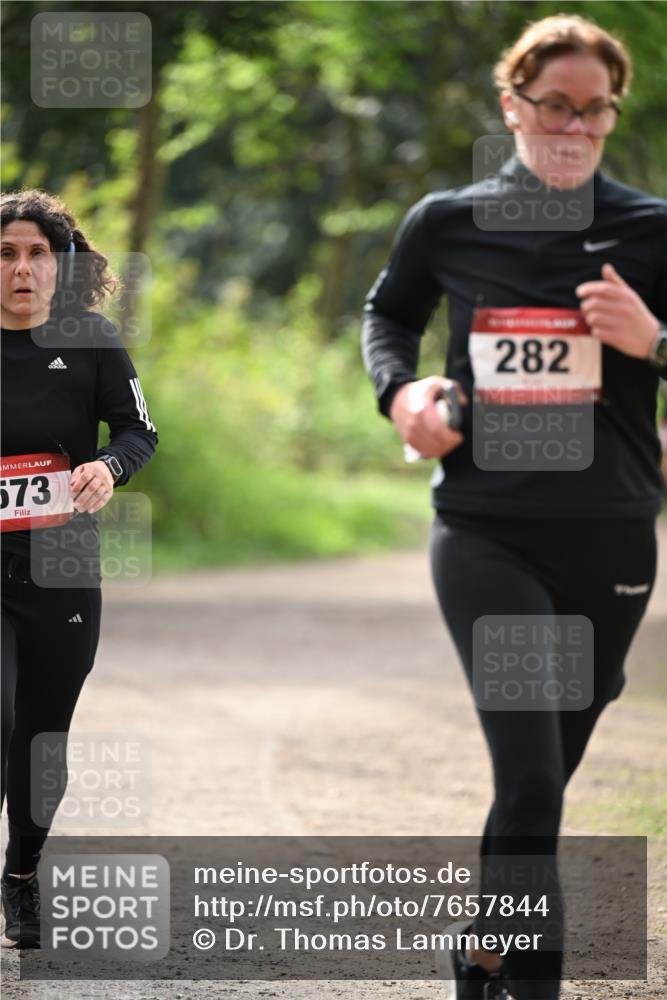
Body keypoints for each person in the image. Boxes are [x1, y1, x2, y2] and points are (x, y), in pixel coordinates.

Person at [362, 14, 666, 1000]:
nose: (573, 126)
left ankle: (483, 945)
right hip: (487, 531)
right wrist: (400, 393)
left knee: (536, 788)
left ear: (611, 115)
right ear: (513, 107)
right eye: (554, 106)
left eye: (594, 110)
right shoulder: (449, 219)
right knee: (532, 781)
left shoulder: (653, 231)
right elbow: (388, 314)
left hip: (613, 538)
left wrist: (653, 341)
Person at [0, 190, 158, 947]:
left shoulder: (90, 340)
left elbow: (138, 430)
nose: (21, 268)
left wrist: (107, 467)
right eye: (5, 254)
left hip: (60, 566)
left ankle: (22, 873)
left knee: (41, 739)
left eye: (36, 253)